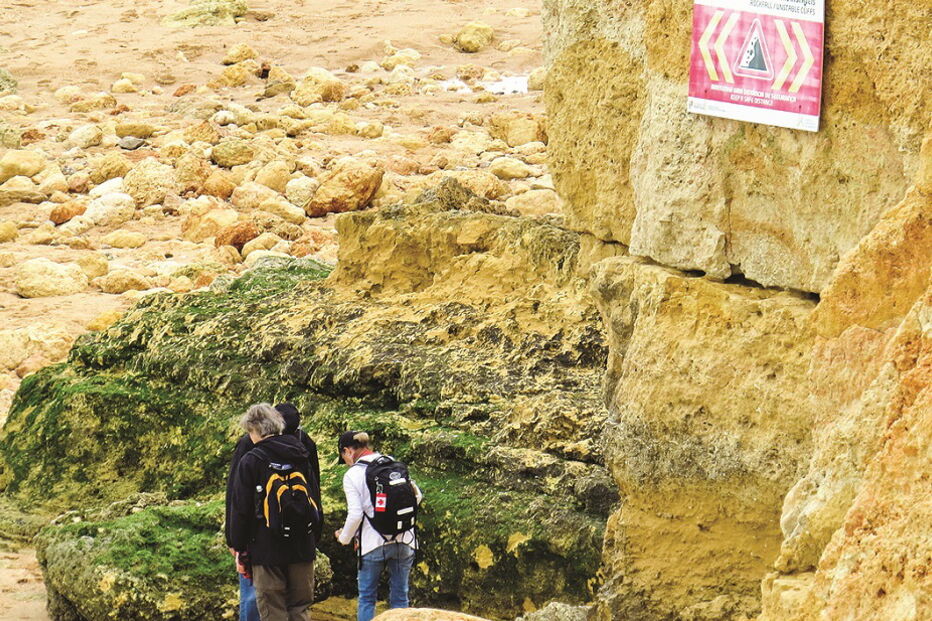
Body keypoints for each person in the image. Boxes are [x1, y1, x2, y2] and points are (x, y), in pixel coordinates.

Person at [225, 403, 322, 621]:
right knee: (300, 608)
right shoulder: (302, 452)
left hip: (267, 548)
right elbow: (315, 498)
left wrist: (238, 547)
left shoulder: (251, 459)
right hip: (302, 546)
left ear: (256, 429)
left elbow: (241, 509)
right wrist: (313, 538)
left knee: (272, 610)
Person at [334, 431, 423, 621]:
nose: (346, 462)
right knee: (400, 598)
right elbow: (417, 496)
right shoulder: (391, 462)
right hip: (404, 539)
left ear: (348, 451)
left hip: (373, 543)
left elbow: (356, 514)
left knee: (367, 598)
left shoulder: (353, 475)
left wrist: (344, 538)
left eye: (344, 457)